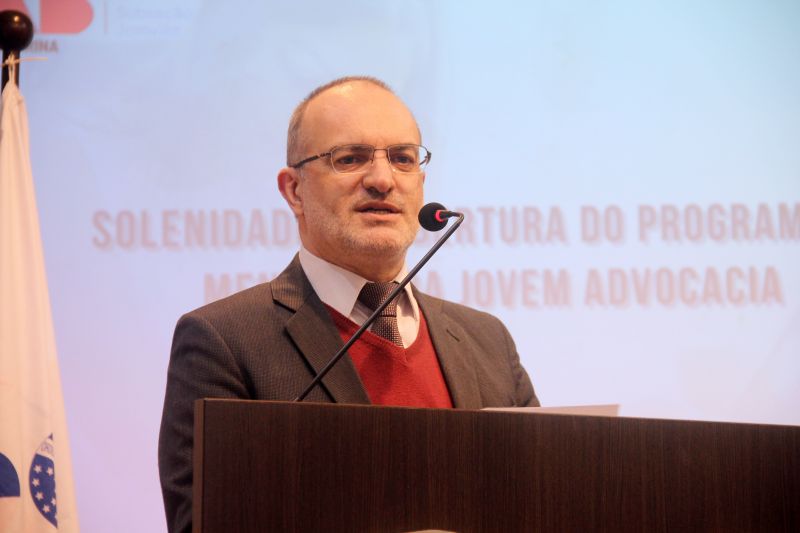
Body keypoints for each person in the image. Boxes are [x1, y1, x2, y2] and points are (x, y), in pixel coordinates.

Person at [157, 76, 538, 533]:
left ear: (421, 182)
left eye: (402, 159)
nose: (382, 180)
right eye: (350, 158)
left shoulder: (487, 340)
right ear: (294, 190)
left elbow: (538, 501)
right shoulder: (224, 341)